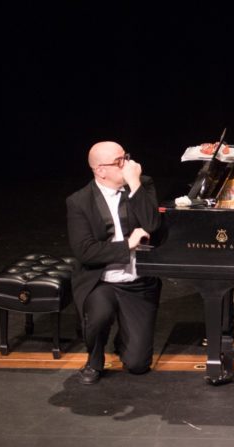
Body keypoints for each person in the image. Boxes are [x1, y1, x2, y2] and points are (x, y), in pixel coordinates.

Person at [67, 141, 162, 385]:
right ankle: (94, 359)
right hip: (102, 281)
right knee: (99, 315)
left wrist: (135, 185)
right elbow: (85, 252)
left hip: (138, 283)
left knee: (138, 365)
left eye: (126, 157)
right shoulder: (79, 202)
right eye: (120, 161)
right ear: (101, 170)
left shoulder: (141, 185)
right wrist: (127, 245)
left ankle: (125, 340)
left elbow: (152, 224)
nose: (128, 164)